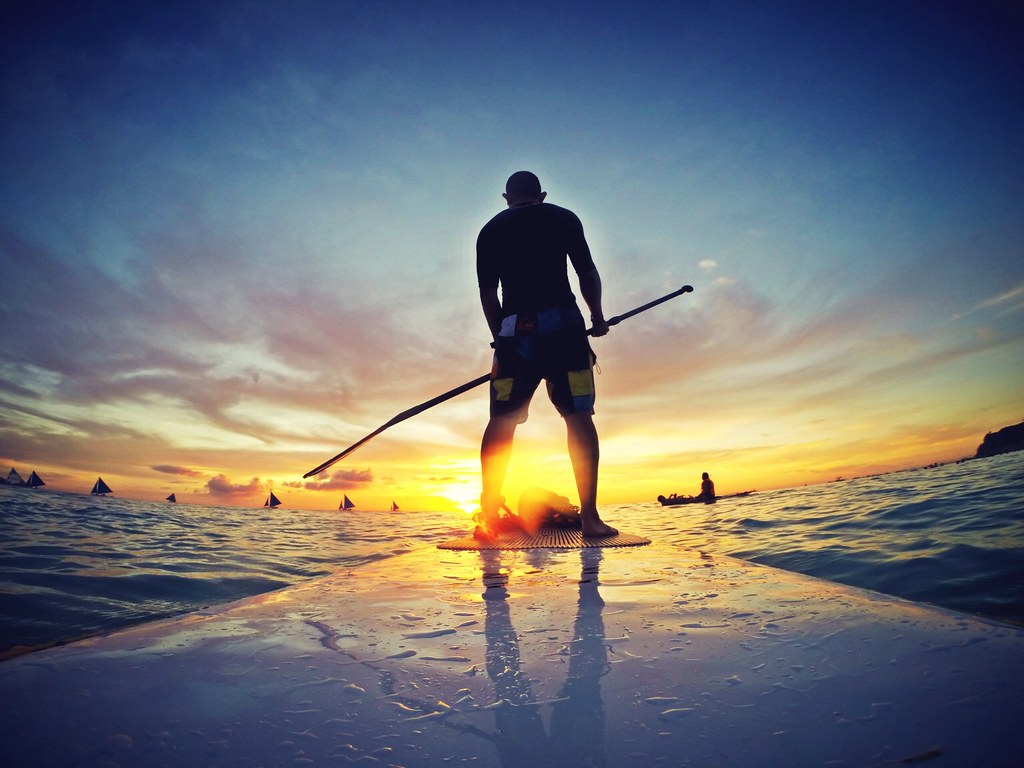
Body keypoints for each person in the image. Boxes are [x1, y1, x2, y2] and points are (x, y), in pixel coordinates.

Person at [475, 171, 617, 539]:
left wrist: (500, 340)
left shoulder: (489, 230)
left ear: (506, 197)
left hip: (514, 332)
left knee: (501, 421)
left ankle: (489, 517)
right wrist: (596, 317)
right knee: (579, 416)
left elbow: (489, 296)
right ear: (541, 194)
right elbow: (587, 272)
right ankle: (589, 519)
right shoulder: (564, 217)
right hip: (565, 330)